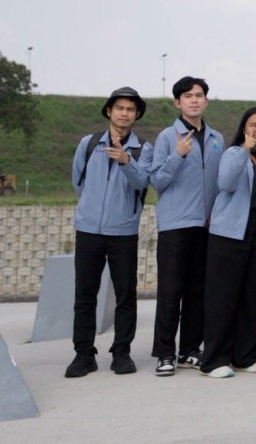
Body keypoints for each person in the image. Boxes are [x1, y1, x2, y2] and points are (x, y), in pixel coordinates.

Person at [65, 87, 154, 378]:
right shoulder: (89, 143)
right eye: (120, 108)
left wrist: (126, 161)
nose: (124, 113)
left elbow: (142, 183)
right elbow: (78, 182)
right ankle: (83, 354)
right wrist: (90, 210)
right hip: (88, 230)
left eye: (130, 109)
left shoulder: (143, 149)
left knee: (125, 294)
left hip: (123, 232)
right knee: (84, 294)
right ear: (109, 111)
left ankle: (121, 352)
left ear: (136, 115)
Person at [200, 107, 256, 378]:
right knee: (223, 298)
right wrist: (244, 150)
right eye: (253, 124)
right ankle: (214, 360)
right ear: (244, 128)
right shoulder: (232, 153)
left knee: (254, 297)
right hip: (228, 234)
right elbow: (225, 183)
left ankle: (245, 356)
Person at [149, 77, 223, 376]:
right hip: (176, 225)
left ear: (206, 100)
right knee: (171, 291)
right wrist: (177, 155)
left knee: (198, 292)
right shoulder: (168, 137)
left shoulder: (217, 138)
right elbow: (157, 181)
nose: (194, 100)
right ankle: (165, 353)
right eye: (188, 96)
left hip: (207, 225)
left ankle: (190, 349)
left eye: (199, 95)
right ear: (177, 102)